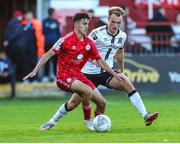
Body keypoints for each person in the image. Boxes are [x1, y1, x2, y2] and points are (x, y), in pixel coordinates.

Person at [41, 7, 158, 131]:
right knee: (73, 104)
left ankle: (145, 115)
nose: (115, 25)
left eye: (118, 23)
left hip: (106, 72)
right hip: (87, 73)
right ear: (108, 20)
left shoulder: (122, 36)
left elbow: (119, 53)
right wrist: (92, 60)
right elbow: (84, 48)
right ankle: (51, 122)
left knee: (127, 84)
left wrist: (121, 72)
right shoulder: (96, 34)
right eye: (113, 22)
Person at [23, 12, 123, 131]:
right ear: (76, 24)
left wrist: (114, 74)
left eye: (88, 24)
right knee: (87, 91)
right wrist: (35, 71)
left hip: (78, 76)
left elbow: (100, 61)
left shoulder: (89, 42)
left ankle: (52, 122)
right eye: (84, 24)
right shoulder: (65, 40)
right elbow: (47, 55)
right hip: (63, 77)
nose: (87, 27)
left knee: (101, 102)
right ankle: (88, 121)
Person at [3, 10, 30, 81]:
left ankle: (16, 79)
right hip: (20, 47)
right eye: (21, 16)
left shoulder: (10, 23)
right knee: (22, 64)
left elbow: (6, 33)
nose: (22, 17)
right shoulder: (16, 23)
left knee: (15, 64)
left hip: (13, 47)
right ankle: (24, 79)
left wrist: (6, 41)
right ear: (18, 16)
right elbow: (15, 33)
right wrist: (8, 40)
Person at [42, 8, 61, 82]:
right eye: (51, 13)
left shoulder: (56, 21)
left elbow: (58, 33)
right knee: (46, 59)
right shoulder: (45, 21)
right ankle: (46, 76)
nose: (52, 14)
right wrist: (50, 27)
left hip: (55, 45)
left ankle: (54, 76)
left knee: (55, 60)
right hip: (47, 43)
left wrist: (59, 43)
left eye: (53, 13)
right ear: (49, 13)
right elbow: (44, 32)